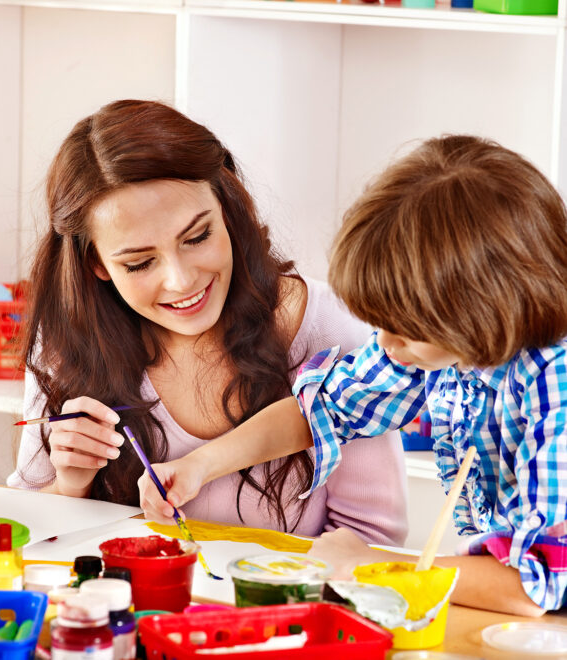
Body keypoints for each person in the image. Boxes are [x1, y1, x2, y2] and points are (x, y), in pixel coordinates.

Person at [140, 135, 567, 616]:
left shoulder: (556, 386)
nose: (385, 344)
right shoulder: (444, 349)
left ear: (483, 309)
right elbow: (321, 411)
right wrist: (200, 465)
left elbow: (531, 585)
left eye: (404, 330)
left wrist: (366, 565)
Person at [6, 99, 408, 543]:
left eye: (197, 237)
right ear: (96, 264)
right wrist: (70, 486)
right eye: (139, 263)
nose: (181, 281)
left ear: (227, 209)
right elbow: (26, 538)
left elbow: (373, 543)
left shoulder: (330, 328)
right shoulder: (67, 339)